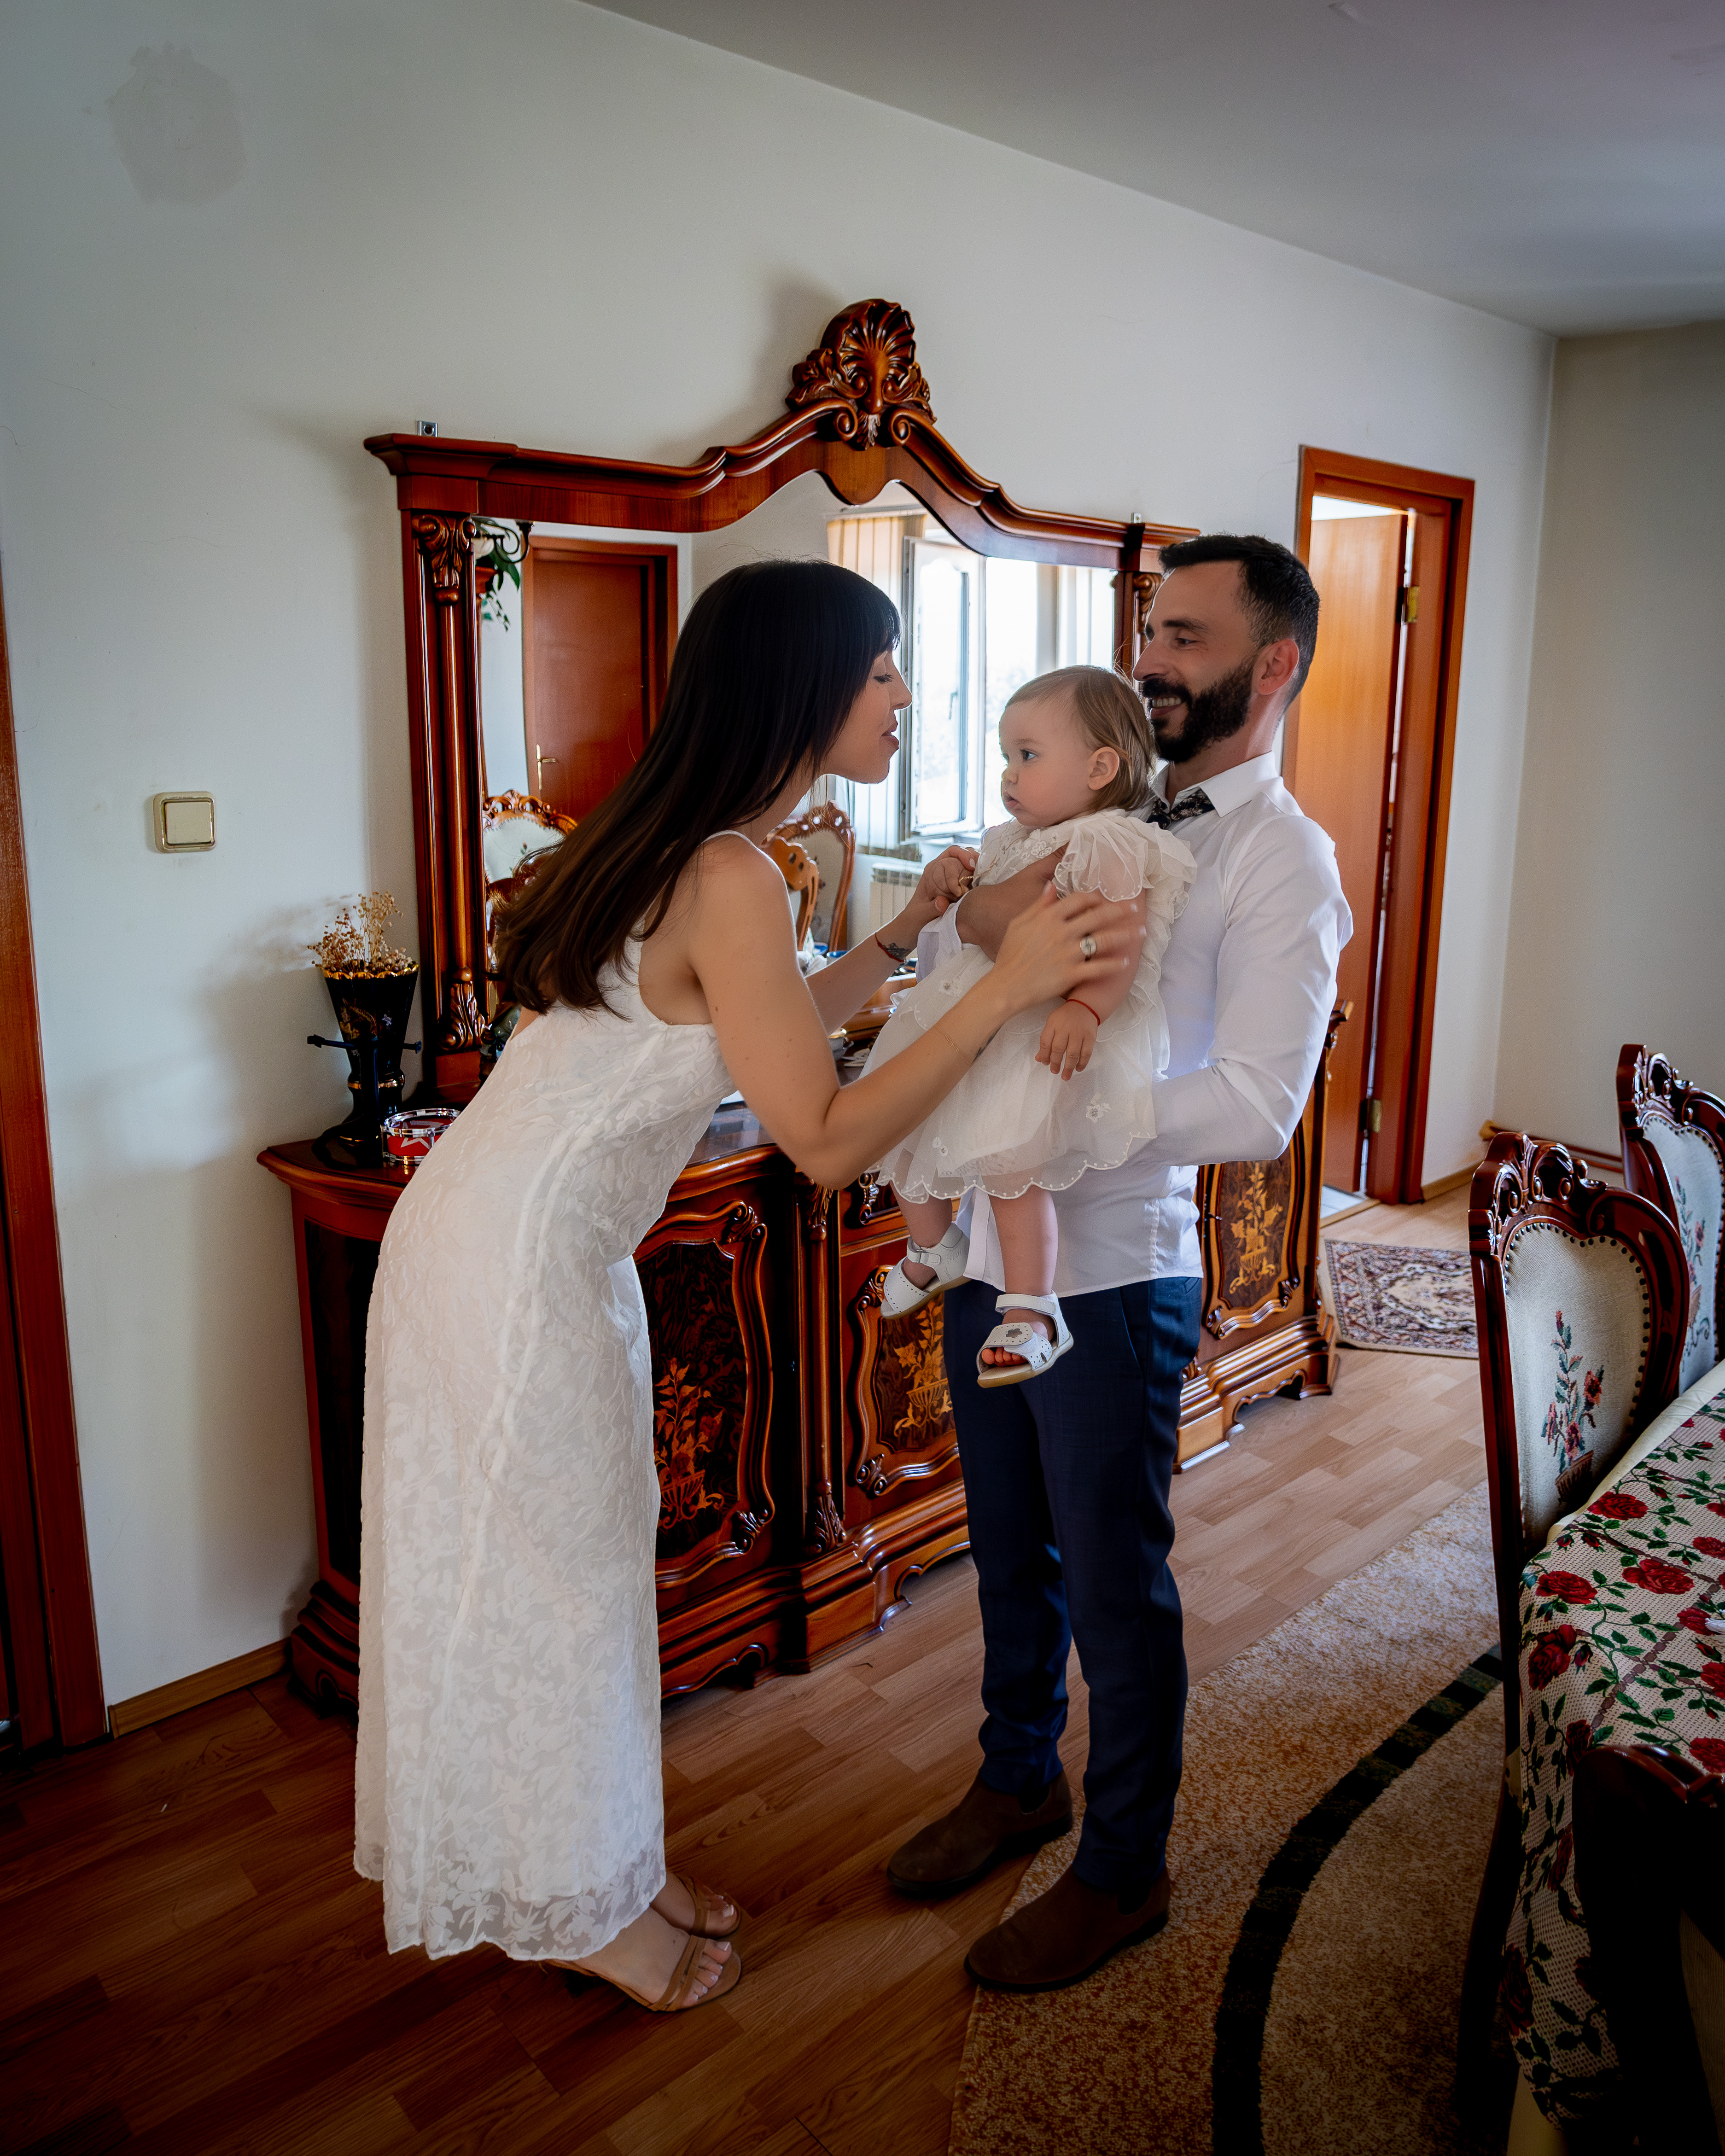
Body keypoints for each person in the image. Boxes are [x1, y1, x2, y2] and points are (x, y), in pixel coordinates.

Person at [353, 559, 1142, 2017]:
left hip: (499, 1242)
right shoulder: (730, 871)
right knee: (558, 1587)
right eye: (882, 668)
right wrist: (1006, 982)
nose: (904, 695)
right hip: (516, 1268)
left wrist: (894, 946)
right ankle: (586, 1914)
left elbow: (749, 1024)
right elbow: (826, 1139)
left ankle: (605, 1869)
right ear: (805, 685)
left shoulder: (698, 851)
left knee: (578, 1573)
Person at [886, 534, 1353, 1994]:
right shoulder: (1092, 804)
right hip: (992, 1253)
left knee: (1111, 1580)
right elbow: (984, 936)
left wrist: (1054, 1117)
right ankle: (1018, 1772)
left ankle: (1124, 1862)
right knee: (1002, 1548)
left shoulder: (1284, 861)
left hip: (1114, 1270)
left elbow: (1259, 1105)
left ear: (1273, 664)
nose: (1150, 660)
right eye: (1150, 631)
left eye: (1187, 638)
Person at [865, 667, 1195, 1387]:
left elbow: (1119, 940)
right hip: (970, 1017)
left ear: (1099, 768)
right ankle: (935, 1246)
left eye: (1027, 755)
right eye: (1005, 757)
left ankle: (1032, 1307)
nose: (1009, 774)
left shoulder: (1104, 840)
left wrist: (1086, 1007)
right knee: (897, 1128)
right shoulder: (1013, 837)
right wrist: (960, 879)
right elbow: (978, 917)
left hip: (1028, 1032)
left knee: (1012, 1173)